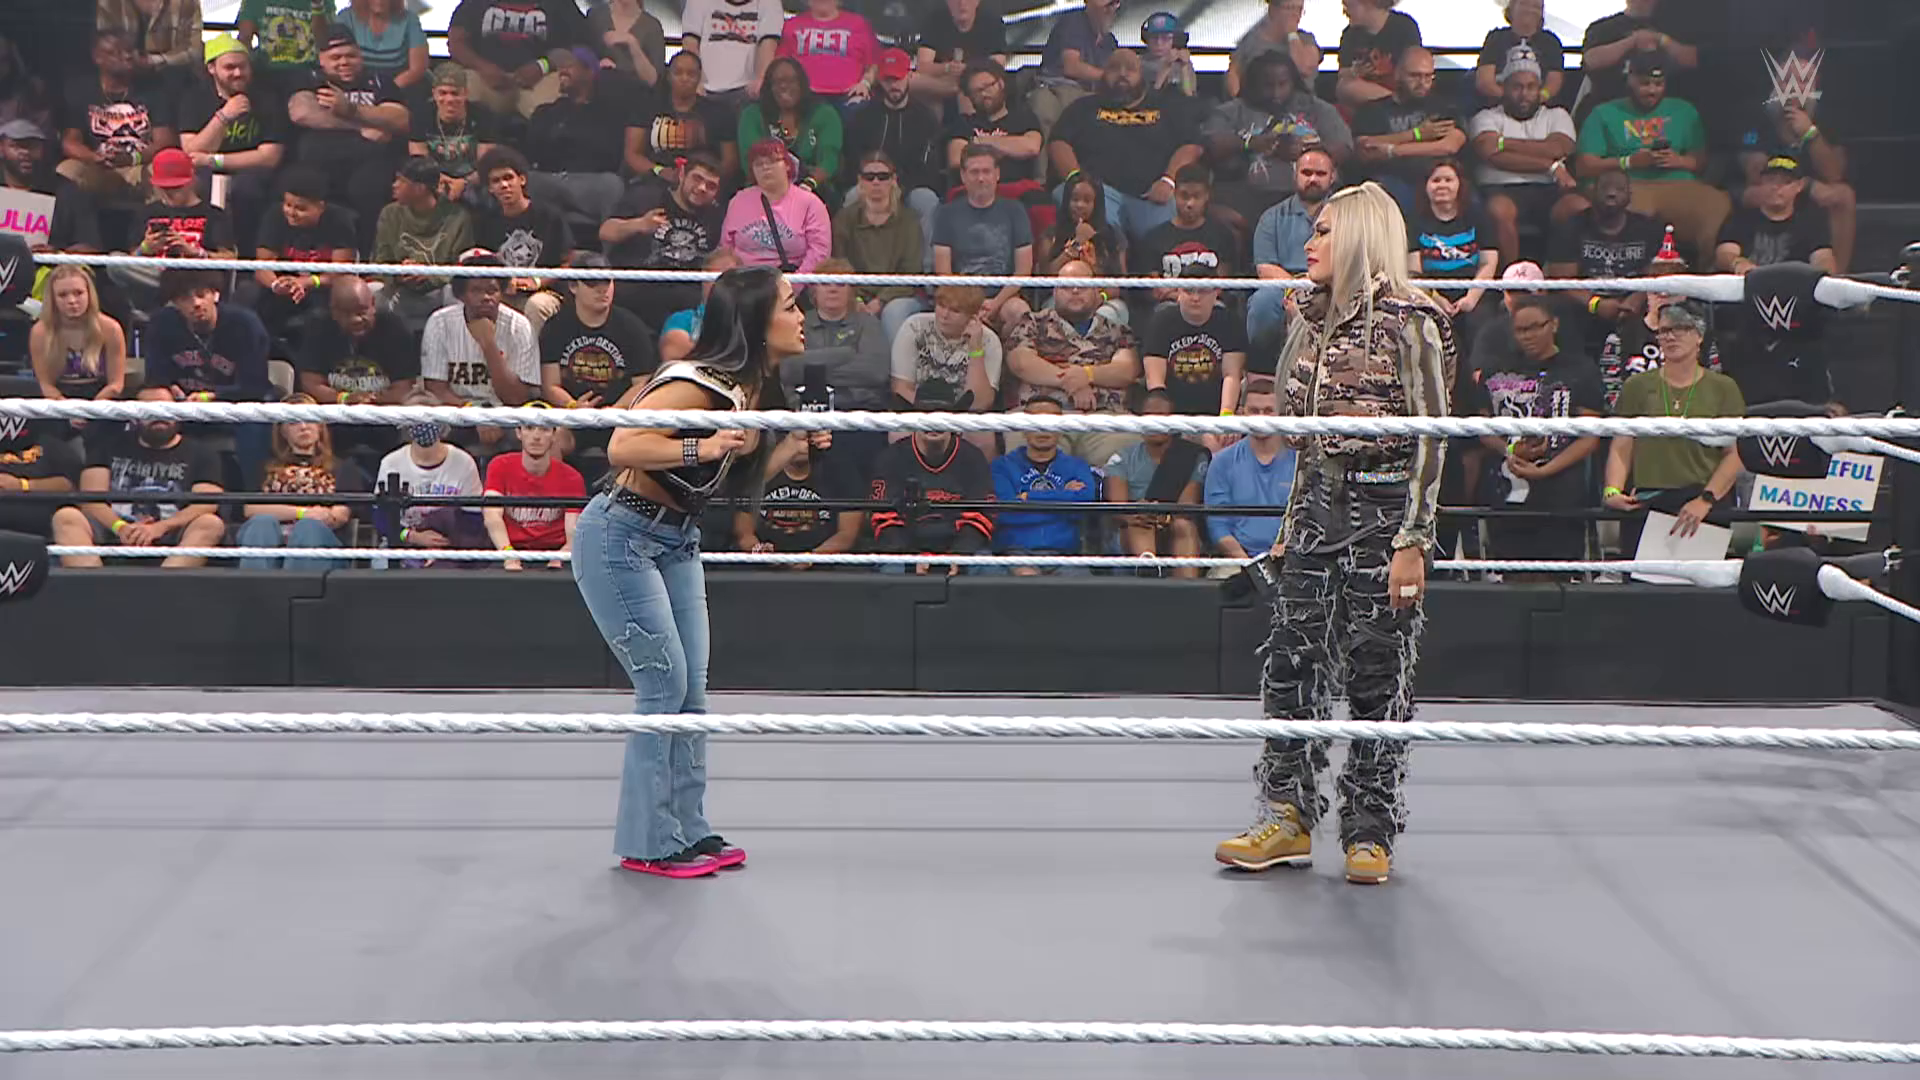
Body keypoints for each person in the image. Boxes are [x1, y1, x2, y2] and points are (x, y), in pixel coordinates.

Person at [1214, 181, 1454, 887]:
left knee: (1378, 671)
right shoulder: (1309, 318)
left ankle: (1370, 829)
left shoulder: (1413, 319)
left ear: (1359, 236)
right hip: (1318, 505)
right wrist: (1292, 524)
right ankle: (1287, 815)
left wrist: (1414, 539)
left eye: (1323, 231)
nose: (1308, 243)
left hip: (1385, 506)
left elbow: (1434, 438)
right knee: (1290, 663)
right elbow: (1308, 443)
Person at [571, 265, 808, 878]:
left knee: (691, 692)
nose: (801, 316)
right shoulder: (698, 381)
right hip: (621, 534)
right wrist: (700, 446)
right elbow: (623, 445)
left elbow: (721, 475)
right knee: (662, 687)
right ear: (757, 320)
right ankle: (650, 841)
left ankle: (687, 828)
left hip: (677, 539)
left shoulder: (751, 388)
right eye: (789, 305)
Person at [1602, 299, 1743, 554]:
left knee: (1700, 579)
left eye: (1681, 328)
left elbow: (1734, 453)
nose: (1670, 336)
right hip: (1647, 500)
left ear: (1699, 336)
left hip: (1704, 501)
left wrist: (1705, 500)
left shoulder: (1723, 388)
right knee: (1640, 578)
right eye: (1665, 330)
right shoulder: (1637, 386)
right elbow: (1622, 444)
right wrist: (1613, 490)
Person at [1473, 294, 1604, 563]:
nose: (1528, 336)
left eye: (1535, 327)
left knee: (1558, 569)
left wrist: (1546, 470)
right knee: (1509, 568)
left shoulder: (1580, 369)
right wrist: (1510, 450)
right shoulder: (1495, 368)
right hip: (1507, 486)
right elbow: (1481, 424)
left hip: (1562, 489)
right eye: (1521, 330)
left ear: (1553, 324)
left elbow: (1590, 437)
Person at [1573, 52, 1728, 269]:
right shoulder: (1604, 113)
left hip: (1678, 185)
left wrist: (1679, 160)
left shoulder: (1684, 110)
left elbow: (1700, 161)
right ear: (1630, 79)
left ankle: (1708, 278)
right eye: (1645, 84)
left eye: (1658, 84)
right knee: (1616, 208)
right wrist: (1630, 162)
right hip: (1630, 185)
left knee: (1718, 205)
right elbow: (1584, 166)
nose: (1652, 90)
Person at [50, 384, 228, 568]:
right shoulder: (109, 445)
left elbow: (206, 503)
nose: (159, 415)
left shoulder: (201, 452)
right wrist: (120, 527)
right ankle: (95, 584)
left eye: (166, 408)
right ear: (135, 416)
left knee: (210, 523)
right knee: (66, 517)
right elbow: (91, 499)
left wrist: (160, 527)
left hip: (172, 533)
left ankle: (166, 583)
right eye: (149, 410)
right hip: (114, 530)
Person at [1048, 48, 1204, 245]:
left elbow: (1191, 145)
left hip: (1152, 196)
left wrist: (1169, 180)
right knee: (1071, 201)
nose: (1122, 73)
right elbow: (1058, 142)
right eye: (1114, 68)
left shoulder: (1166, 106)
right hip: (1100, 195)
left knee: (1167, 240)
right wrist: (1077, 181)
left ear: (1142, 74)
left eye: (1130, 69)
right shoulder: (1083, 107)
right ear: (1104, 73)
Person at [288, 24, 410, 240]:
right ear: (322, 59)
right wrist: (361, 123)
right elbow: (301, 112)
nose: (344, 62)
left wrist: (351, 109)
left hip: (371, 162)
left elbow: (400, 119)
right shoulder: (311, 79)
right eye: (336, 58)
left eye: (351, 56)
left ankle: (369, 253)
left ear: (360, 56)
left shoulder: (379, 80)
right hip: (321, 160)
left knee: (369, 187)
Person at [1204, 51, 1352, 225]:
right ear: (1253, 84)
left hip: (1311, 198)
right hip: (1247, 199)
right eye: (1267, 85)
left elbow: (1345, 148)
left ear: (1293, 82)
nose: (1275, 93)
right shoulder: (1232, 111)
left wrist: (1307, 152)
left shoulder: (1317, 108)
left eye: (1282, 84)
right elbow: (1211, 146)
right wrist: (1251, 143)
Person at [1470, 47, 1581, 264]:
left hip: (1549, 190)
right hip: (1500, 189)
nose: (1524, 94)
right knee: (1500, 210)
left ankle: (1558, 276)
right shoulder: (1486, 117)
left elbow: (1558, 148)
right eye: (1517, 87)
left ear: (1540, 88)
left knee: (1576, 206)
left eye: (1531, 87)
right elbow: (1494, 156)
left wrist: (1504, 142)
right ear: (1503, 87)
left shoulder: (1557, 115)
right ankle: (1512, 278)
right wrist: (1550, 166)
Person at [869, 379, 994, 569]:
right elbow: (884, 518)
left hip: (962, 550)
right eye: (926, 415)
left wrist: (959, 555)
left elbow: (982, 515)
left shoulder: (973, 458)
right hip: (905, 552)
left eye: (942, 416)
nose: (934, 424)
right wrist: (912, 557)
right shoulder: (891, 458)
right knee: (891, 569)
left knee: (988, 568)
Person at [179, 34, 286, 248]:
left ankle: (247, 255)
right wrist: (224, 116)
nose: (238, 73)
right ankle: (208, 251)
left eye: (243, 67)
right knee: (200, 187)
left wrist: (213, 160)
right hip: (207, 172)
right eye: (230, 67)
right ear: (212, 68)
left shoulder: (267, 98)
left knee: (246, 189)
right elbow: (191, 151)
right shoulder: (194, 98)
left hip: (250, 172)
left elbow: (269, 157)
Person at [603, 150, 725, 331]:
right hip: (639, 288)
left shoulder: (716, 217)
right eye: (697, 178)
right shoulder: (648, 197)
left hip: (686, 297)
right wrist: (638, 224)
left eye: (711, 186)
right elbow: (605, 231)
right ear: (682, 174)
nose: (702, 188)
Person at [234, 395, 355, 570]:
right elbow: (251, 509)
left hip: (320, 543)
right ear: (283, 431)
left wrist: (309, 519)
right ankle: (256, 585)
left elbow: (340, 515)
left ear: (320, 426)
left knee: (309, 527)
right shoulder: (265, 467)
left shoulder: (342, 467)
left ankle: (296, 586)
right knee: (261, 523)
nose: (303, 427)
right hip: (273, 536)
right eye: (294, 422)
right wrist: (303, 513)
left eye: (309, 420)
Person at [56, 30, 174, 203]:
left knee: (163, 173)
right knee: (66, 170)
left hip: (139, 165)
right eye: (116, 52)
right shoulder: (82, 90)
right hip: (97, 165)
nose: (126, 56)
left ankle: (157, 221)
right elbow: (69, 142)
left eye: (129, 51)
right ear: (97, 57)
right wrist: (95, 158)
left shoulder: (153, 90)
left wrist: (133, 158)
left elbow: (165, 142)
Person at [841, 48, 940, 243]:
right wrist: (875, 181)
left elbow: (929, 168)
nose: (893, 85)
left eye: (898, 79)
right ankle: (850, 260)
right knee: (853, 197)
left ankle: (926, 262)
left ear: (909, 76)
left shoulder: (925, 118)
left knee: (927, 200)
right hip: (871, 181)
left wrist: (900, 187)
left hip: (911, 186)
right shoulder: (863, 117)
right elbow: (853, 160)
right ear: (879, 80)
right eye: (888, 80)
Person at [933, 142, 1033, 335]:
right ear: (963, 176)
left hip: (1004, 298)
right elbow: (943, 272)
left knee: (1020, 312)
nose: (981, 178)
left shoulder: (1016, 211)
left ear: (997, 174)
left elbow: (1023, 270)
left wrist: (995, 304)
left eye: (986, 171)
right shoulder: (946, 214)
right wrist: (970, 306)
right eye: (974, 172)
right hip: (960, 300)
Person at [1350, 45, 1464, 212]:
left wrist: (1393, 151)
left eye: (1428, 76)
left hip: (1434, 179)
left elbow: (1449, 146)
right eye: (1415, 76)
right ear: (1398, 74)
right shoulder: (1372, 110)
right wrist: (1416, 134)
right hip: (1389, 180)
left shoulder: (1443, 108)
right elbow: (1364, 148)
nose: (1422, 83)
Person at [990, 395, 1097, 571]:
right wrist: (1064, 497)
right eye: (1035, 421)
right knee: (1027, 579)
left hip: (1065, 556)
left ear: (1061, 428)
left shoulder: (1077, 466)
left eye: (1050, 421)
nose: (1043, 429)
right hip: (1017, 553)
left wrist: (1027, 498)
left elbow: (1083, 506)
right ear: (1023, 428)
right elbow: (1006, 513)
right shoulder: (1001, 467)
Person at [1106, 389, 1206, 577]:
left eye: (1161, 417)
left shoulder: (1193, 457)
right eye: (1148, 417)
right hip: (1132, 530)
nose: (1154, 424)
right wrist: (1139, 514)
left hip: (1173, 527)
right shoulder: (1122, 457)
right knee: (1139, 521)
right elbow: (1118, 507)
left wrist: (1161, 517)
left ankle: (1187, 589)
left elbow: (1187, 506)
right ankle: (1148, 571)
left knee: (1184, 525)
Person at [473, 146, 571, 337]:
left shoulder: (549, 216)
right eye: (496, 181)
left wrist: (537, 281)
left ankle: (532, 357)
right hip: (502, 293)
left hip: (545, 292)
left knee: (536, 306)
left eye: (508, 177)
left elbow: (569, 262)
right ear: (490, 188)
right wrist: (501, 283)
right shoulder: (486, 222)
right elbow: (483, 263)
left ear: (522, 180)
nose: (504, 185)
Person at [371, 156, 476, 329]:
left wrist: (429, 275)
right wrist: (399, 273)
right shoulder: (389, 214)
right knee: (371, 291)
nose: (394, 185)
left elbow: (462, 267)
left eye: (401, 181)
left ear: (420, 188)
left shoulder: (458, 218)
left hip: (440, 290)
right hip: (400, 289)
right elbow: (381, 262)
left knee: (456, 295)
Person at [834, 149, 928, 338]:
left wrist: (880, 301)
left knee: (893, 312)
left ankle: (894, 360)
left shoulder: (909, 220)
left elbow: (911, 272)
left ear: (893, 180)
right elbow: (839, 263)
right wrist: (856, 298)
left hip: (899, 294)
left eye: (883, 177)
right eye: (869, 177)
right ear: (860, 181)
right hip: (855, 294)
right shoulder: (844, 219)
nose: (876, 182)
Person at [1201, 379, 1294, 568]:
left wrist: (1288, 549)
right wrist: (1249, 566)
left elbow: (1311, 516)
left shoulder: (1301, 461)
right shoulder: (1222, 462)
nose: (1261, 418)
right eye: (1254, 411)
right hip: (1237, 562)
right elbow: (1218, 526)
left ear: (1281, 413)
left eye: (1268, 411)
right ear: (1242, 412)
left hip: (1292, 559)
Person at [1407, 159, 1499, 345]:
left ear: (1460, 185)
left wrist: (1470, 299)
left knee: (1479, 320)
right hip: (1431, 294)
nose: (1442, 185)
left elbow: (1488, 263)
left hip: (1474, 291)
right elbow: (1414, 272)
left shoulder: (1478, 216)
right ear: (1426, 186)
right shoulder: (1413, 221)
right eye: (1436, 180)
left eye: (1448, 180)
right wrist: (1436, 300)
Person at [445, 0, 587, 119]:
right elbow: (456, 42)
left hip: (540, 79)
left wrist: (541, 66)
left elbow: (578, 47)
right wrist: (482, 67)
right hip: (485, 78)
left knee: (563, 104)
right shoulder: (475, 3)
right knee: (455, 95)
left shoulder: (559, 4)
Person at [483, 411, 584, 569]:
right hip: (510, 547)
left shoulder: (571, 477)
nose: (536, 437)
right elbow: (491, 516)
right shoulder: (499, 466)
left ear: (554, 435)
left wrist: (563, 554)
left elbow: (573, 531)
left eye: (544, 429)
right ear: (518, 433)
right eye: (529, 428)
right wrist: (507, 553)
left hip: (555, 551)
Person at [721, 138, 832, 276]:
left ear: (787, 165)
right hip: (744, 281)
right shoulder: (738, 201)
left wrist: (792, 285)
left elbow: (819, 253)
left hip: (792, 280)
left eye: (772, 161)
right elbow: (725, 250)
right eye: (758, 164)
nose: (765, 167)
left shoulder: (811, 204)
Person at [31, 266, 127, 422]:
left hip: (102, 398)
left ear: (89, 294)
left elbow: (116, 385)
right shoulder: (40, 332)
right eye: (62, 295)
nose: (72, 301)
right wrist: (69, 412)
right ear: (52, 299)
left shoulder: (111, 329)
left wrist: (89, 412)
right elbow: (45, 384)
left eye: (78, 293)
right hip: (58, 400)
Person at [624, 52, 737, 184]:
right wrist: (660, 171)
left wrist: (706, 178)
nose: (684, 78)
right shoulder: (647, 107)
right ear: (669, 76)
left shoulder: (720, 112)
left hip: (704, 182)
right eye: (678, 73)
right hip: (656, 179)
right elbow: (632, 154)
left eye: (691, 74)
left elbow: (730, 162)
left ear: (699, 77)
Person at [738, 57, 842, 199]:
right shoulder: (752, 115)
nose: (784, 86)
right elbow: (749, 160)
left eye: (792, 81)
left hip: (813, 189)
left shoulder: (824, 114)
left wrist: (808, 184)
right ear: (769, 87)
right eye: (778, 82)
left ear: (802, 84)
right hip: (764, 190)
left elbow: (829, 159)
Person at [1714, 157, 1834, 274]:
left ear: (1799, 186)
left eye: (1786, 182)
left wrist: (1823, 273)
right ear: (1761, 183)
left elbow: (1823, 257)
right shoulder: (1742, 218)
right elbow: (1724, 253)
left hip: (1794, 284)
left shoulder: (1811, 222)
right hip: (1749, 282)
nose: (1776, 187)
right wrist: (1738, 263)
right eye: (1771, 180)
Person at [409, 62, 499, 202]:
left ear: (465, 93)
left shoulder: (483, 115)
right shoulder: (421, 115)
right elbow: (419, 161)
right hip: (433, 180)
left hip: (473, 182)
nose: (449, 99)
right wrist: (440, 180)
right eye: (443, 93)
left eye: (455, 93)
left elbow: (486, 165)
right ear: (434, 94)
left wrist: (463, 183)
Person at [946, 60, 1041, 184]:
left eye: (987, 87)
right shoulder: (964, 123)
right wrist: (1009, 147)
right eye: (976, 91)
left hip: (1018, 189)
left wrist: (980, 142)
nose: (984, 94)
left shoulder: (1024, 118)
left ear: (1001, 83)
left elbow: (1031, 147)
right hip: (974, 189)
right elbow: (956, 159)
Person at [777, 0, 880, 109]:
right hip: (804, 96)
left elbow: (874, 63)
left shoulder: (859, 25)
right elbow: (781, 62)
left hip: (848, 96)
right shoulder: (792, 25)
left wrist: (865, 84)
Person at [678, 0, 783, 105]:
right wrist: (694, 82)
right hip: (704, 91)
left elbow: (768, 44)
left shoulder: (770, 2)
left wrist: (760, 79)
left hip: (748, 92)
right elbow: (690, 44)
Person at [1225, 0, 1321, 101]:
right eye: (1290, 8)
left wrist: (1292, 34)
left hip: (1299, 105)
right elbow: (1234, 74)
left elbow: (1303, 68)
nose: (1295, 14)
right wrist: (1240, 101)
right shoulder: (1251, 41)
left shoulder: (1306, 40)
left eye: (1299, 9)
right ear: (1273, 10)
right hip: (1257, 103)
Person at [1474, 0, 1565, 106]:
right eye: (1524, 4)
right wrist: (1512, 101)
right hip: (1499, 107)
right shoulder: (1496, 39)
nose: (1530, 10)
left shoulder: (1551, 42)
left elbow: (1554, 82)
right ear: (1511, 8)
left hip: (1540, 109)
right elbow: (1485, 81)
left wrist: (1537, 99)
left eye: (1536, 6)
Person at [1335, 0, 1422, 109]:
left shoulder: (1404, 27)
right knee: (1344, 87)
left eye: (1347, 6)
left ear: (1367, 3)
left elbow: (1417, 68)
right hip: (1363, 99)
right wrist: (1354, 72)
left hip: (1399, 91)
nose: (1344, 12)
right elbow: (1343, 75)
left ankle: (1397, 105)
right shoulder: (1349, 35)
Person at [337, 0, 427, 90]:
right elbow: (336, 59)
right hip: (355, 85)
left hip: (400, 86)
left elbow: (417, 68)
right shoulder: (346, 18)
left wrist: (389, 89)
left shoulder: (409, 19)